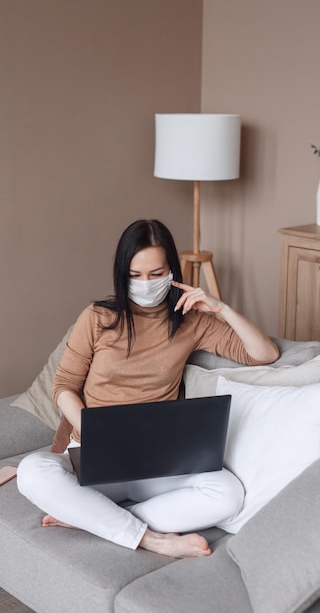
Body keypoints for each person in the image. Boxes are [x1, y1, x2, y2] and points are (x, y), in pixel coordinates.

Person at [17, 219, 279, 558]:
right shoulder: (97, 318)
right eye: (135, 275)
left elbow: (264, 354)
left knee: (228, 493)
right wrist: (92, 431)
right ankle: (152, 539)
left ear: (172, 271)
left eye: (156, 274)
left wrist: (222, 308)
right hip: (97, 458)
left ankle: (96, 520)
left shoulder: (192, 321)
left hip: (159, 462)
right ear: (121, 274)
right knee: (33, 472)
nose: (145, 284)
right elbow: (64, 385)